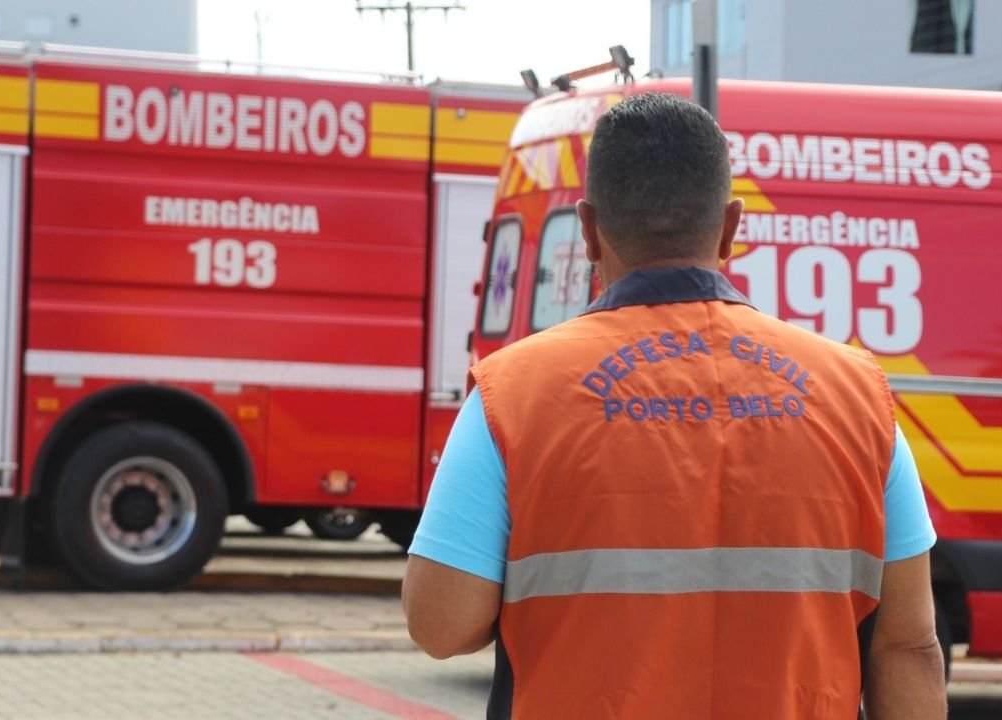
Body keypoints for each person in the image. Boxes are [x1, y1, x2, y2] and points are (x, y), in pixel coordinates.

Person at [402, 92, 946, 719]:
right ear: (731, 227)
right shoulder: (858, 397)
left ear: (588, 230)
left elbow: (441, 625)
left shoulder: (513, 394)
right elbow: (908, 646)